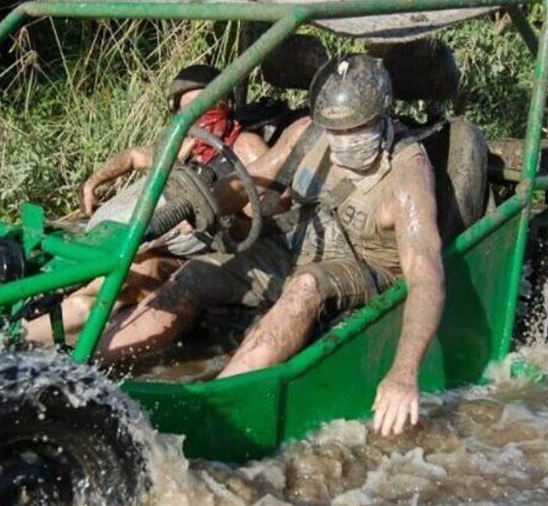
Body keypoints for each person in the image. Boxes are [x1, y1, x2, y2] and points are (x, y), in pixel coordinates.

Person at [95, 54, 445, 438]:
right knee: (197, 273)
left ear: (381, 118)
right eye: (334, 130)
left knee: (307, 285)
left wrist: (403, 374)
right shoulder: (307, 132)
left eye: (354, 130)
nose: (342, 142)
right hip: (301, 242)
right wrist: (185, 209)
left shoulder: (406, 173)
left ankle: (212, 405)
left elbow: (426, 275)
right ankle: (92, 368)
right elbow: (250, 181)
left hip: (367, 264)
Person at [24, 64, 268, 344]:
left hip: (214, 251)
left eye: (206, 104)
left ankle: (63, 339)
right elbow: (134, 156)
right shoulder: (183, 148)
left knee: (135, 274)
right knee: (100, 288)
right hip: (158, 244)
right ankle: (24, 334)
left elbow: (265, 213)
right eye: (189, 109)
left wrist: (225, 214)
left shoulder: (246, 147)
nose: (200, 116)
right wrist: (93, 182)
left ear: (226, 103)